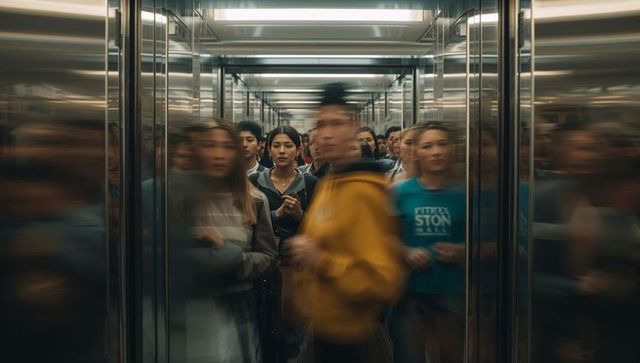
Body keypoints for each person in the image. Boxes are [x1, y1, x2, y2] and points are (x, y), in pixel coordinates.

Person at [289, 83, 406, 363]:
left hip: (354, 341)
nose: (326, 134)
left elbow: (382, 280)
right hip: (322, 331)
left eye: (336, 123)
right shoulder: (330, 183)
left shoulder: (366, 191)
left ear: (354, 128)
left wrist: (321, 260)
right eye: (320, 125)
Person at [173, 119, 277, 363]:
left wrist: (231, 258)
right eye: (210, 146)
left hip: (236, 301)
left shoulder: (254, 199)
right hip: (185, 303)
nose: (219, 155)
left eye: (228, 147)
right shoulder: (177, 198)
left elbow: (269, 256)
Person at [390, 122, 466, 363]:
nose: (436, 152)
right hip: (411, 289)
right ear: (417, 153)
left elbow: (487, 239)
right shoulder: (400, 192)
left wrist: (466, 251)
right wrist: (406, 251)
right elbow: (386, 237)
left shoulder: (466, 194)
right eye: (427, 146)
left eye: (443, 144)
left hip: (453, 288)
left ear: (453, 149)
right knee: (411, 356)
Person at [249, 126, 318, 362]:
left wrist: (300, 215)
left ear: (299, 150)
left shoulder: (311, 183)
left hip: (298, 267)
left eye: (288, 145)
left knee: (293, 326)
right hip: (264, 263)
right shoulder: (254, 182)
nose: (281, 151)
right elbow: (247, 225)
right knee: (263, 323)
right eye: (276, 145)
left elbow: (321, 230)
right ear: (268, 149)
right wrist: (276, 214)